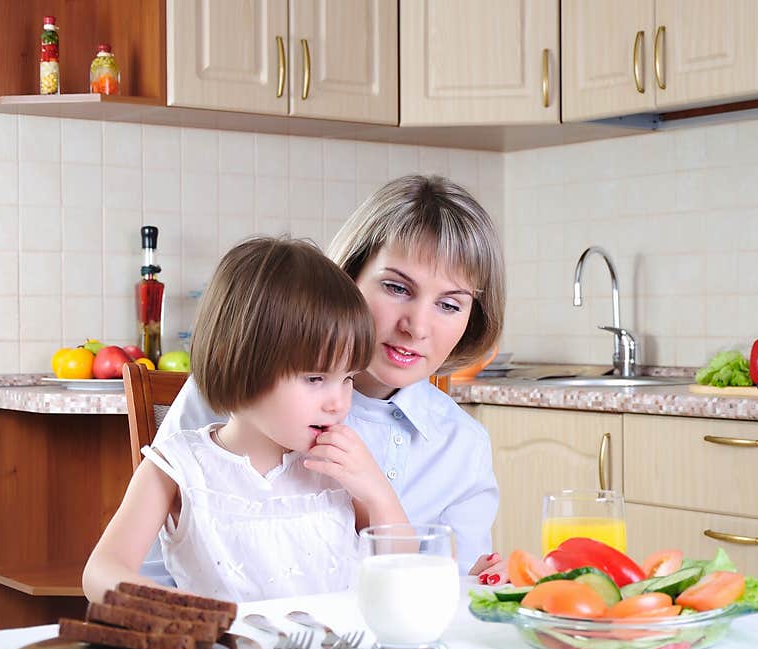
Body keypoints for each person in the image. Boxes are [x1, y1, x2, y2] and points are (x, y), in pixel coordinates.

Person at [153, 174, 506, 577]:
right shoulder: (244, 393)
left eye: (449, 305)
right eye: (396, 288)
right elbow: (152, 569)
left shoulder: (463, 445)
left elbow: (457, 590)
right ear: (348, 276)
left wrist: (480, 584)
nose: (417, 327)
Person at [83, 237, 408, 603]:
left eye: (348, 378)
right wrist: (170, 607)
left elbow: (406, 575)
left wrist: (378, 493)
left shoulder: (338, 467)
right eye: (315, 378)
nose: (339, 402)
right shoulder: (178, 468)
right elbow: (101, 571)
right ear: (238, 361)